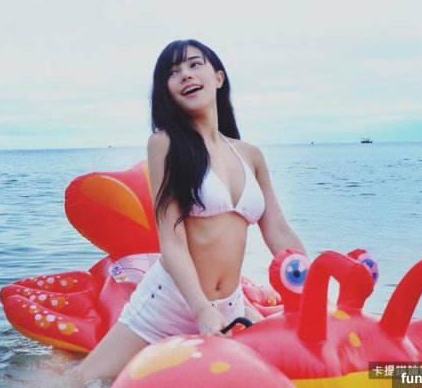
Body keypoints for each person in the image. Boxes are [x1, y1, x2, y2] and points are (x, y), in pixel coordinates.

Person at [70, 39, 306, 385]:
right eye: (173, 72)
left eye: (195, 65)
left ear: (218, 78)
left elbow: (280, 233)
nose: (185, 75)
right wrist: (201, 310)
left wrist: (311, 293)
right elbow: (172, 241)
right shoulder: (165, 144)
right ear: (166, 90)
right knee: (81, 380)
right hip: (170, 303)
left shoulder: (250, 155)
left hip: (230, 305)